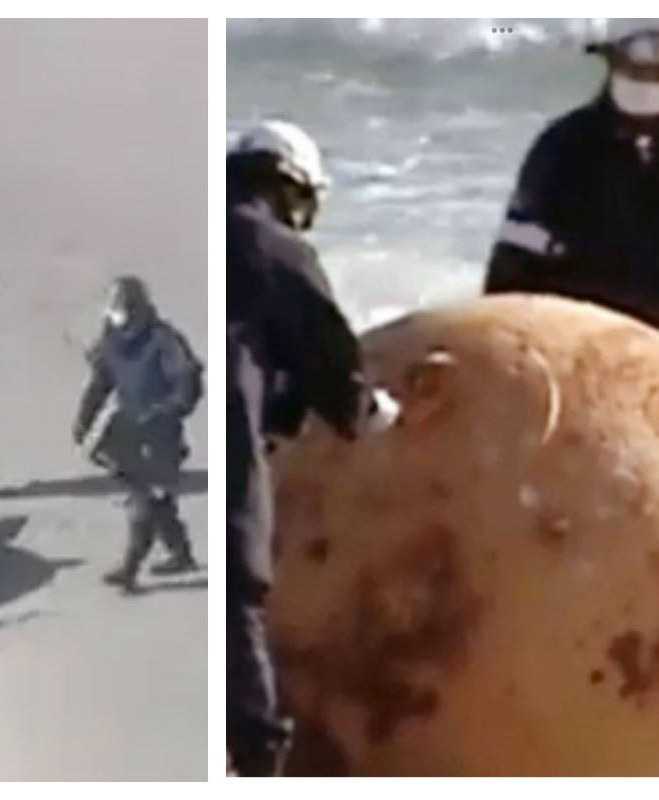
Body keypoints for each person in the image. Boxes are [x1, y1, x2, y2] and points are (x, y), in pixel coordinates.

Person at [227, 120, 401, 776]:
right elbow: (328, 353)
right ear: (290, 187)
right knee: (237, 587)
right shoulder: (270, 245)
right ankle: (255, 758)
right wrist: (369, 412)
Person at [483, 18, 659, 400]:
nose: (654, 66)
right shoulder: (563, 147)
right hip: (573, 362)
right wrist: (504, 377)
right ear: (611, 56)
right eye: (642, 50)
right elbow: (509, 278)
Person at [72, 275, 203, 595]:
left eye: (120, 309)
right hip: (126, 431)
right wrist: (84, 418)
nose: (114, 315)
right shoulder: (111, 341)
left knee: (143, 504)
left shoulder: (164, 340)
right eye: (111, 309)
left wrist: (166, 411)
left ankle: (129, 571)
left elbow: (188, 382)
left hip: (160, 435)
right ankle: (181, 553)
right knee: (154, 499)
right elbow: (101, 381)